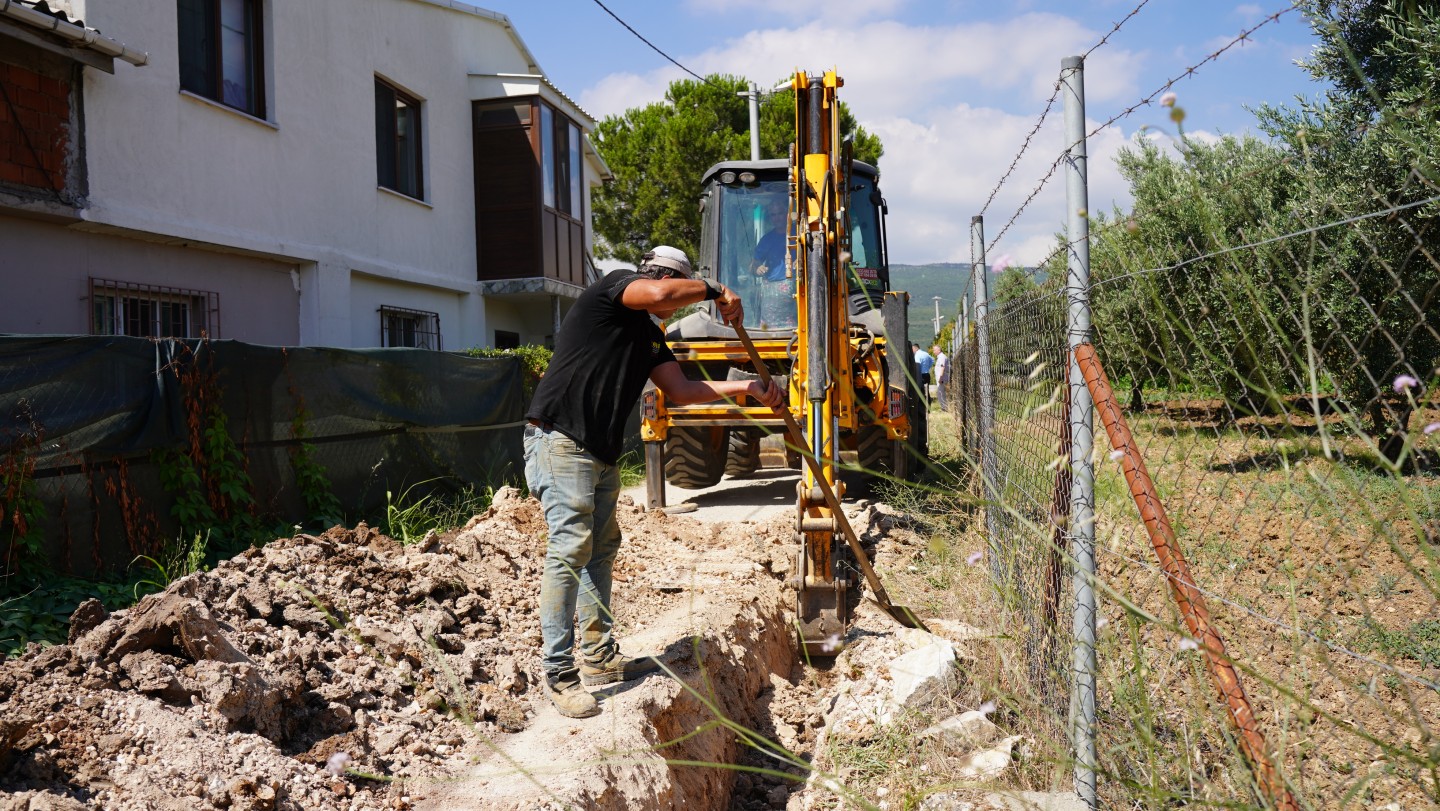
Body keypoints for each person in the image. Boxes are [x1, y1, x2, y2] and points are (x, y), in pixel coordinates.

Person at [523, 245, 784, 719]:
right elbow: (661, 291)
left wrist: (745, 387)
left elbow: (682, 391)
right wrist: (715, 288)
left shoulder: (649, 336)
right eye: (677, 297)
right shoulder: (614, 287)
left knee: (599, 549)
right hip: (560, 438)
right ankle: (559, 674)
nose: (675, 306)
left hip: (597, 451)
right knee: (569, 548)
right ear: (663, 281)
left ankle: (600, 659)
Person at [749, 196, 789, 282]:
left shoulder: (798, 233)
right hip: (774, 287)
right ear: (770, 217)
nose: (777, 218)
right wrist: (757, 268)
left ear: (787, 214)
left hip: (799, 284)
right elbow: (753, 264)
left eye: (780, 213)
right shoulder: (766, 240)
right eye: (773, 215)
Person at [931, 344, 950, 411]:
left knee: (941, 393)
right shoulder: (940, 357)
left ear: (939, 350)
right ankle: (943, 407)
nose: (933, 351)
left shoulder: (942, 357)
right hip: (941, 378)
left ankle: (944, 408)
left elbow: (942, 367)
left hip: (941, 378)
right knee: (940, 392)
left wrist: (940, 378)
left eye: (934, 350)